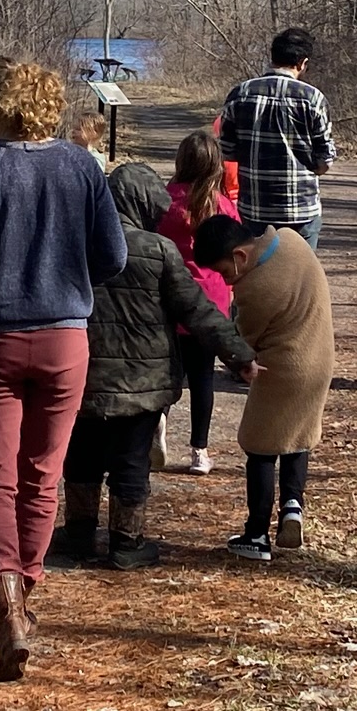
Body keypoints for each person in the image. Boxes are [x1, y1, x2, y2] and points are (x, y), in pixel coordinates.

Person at [0, 57, 124, 680]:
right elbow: (112, 257)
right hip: (65, 340)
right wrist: (65, 279)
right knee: (43, 474)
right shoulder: (81, 166)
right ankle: (24, 594)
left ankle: (2, 596)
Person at [57, 163, 256, 570]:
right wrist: (241, 356)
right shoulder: (158, 250)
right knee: (132, 462)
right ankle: (126, 543)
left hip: (81, 374)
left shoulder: (72, 244)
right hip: (143, 382)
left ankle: (78, 535)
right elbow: (199, 311)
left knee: (81, 456)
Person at [194, 216, 333, 564]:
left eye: (224, 272)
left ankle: (256, 534)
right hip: (320, 360)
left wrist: (237, 358)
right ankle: (292, 507)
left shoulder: (255, 289)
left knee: (259, 446)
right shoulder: (290, 240)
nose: (226, 280)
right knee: (297, 435)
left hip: (282, 368)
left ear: (240, 256)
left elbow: (246, 343)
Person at [157, 128, 239, 474]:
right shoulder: (222, 206)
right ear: (215, 165)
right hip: (210, 303)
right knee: (203, 377)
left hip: (170, 299)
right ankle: (199, 451)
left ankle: (157, 423)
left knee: (166, 372)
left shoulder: (165, 200)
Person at [218, 28, 337, 248]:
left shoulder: (240, 94)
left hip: (254, 208)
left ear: (272, 57)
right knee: (301, 276)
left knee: (257, 273)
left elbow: (226, 150)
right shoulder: (313, 98)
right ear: (302, 62)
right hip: (301, 210)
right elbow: (325, 160)